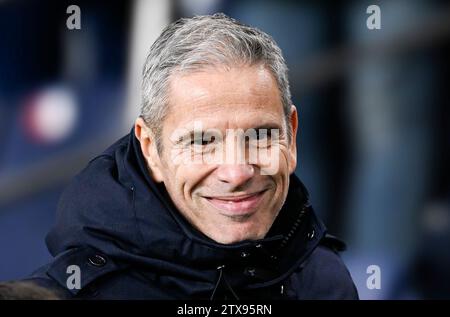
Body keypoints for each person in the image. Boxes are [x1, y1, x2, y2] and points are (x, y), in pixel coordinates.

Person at [26, 13, 358, 299]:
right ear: (150, 149)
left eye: (260, 135)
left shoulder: (326, 282)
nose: (237, 171)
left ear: (292, 136)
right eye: (202, 142)